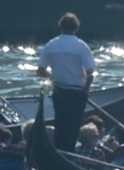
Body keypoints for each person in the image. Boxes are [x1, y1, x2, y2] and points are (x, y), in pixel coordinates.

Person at [37, 13, 96, 152]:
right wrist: (86, 91)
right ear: (76, 28)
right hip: (77, 92)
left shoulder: (51, 45)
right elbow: (90, 73)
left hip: (59, 91)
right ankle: (69, 153)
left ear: (60, 27)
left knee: (61, 125)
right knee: (74, 127)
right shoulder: (81, 46)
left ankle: (60, 151)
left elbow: (40, 70)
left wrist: (54, 76)